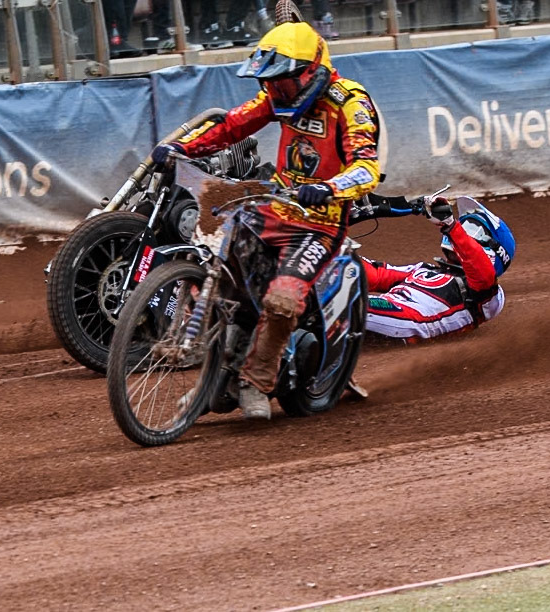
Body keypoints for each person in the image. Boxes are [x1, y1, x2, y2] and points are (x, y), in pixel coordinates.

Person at [151, 21, 381, 419]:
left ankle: (254, 382)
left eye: (283, 83)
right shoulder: (278, 97)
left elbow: (367, 168)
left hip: (318, 225)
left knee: (282, 300)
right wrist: (181, 148)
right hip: (273, 210)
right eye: (270, 83)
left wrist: (328, 188)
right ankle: (216, 373)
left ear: (311, 73)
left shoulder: (349, 103)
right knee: (221, 264)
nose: (276, 91)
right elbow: (231, 125)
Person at [357, 195, 516, 342]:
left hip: (409, 319)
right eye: (463, 227)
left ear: (496, 251)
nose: (464, 232)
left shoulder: (489, 293)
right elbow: (377, 275)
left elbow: (481, 269)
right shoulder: (424, 269)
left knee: (348, 305)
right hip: (384, 307)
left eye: (472, 231)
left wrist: (452, 226)